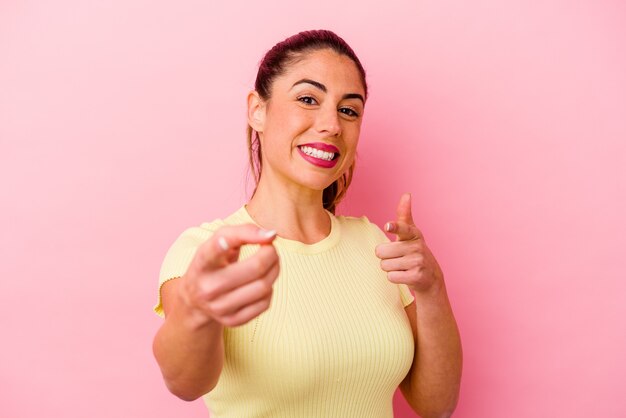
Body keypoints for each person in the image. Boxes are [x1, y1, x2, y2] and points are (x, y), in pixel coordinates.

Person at [152, 29, 462, 418]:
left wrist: (432, 288)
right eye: (307, 99)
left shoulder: (374, 246)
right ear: (257, 110)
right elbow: (184, 383)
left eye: (349, 110)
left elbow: (437, 405)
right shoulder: (206, 250)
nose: (331, 124)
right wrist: (199, 309)